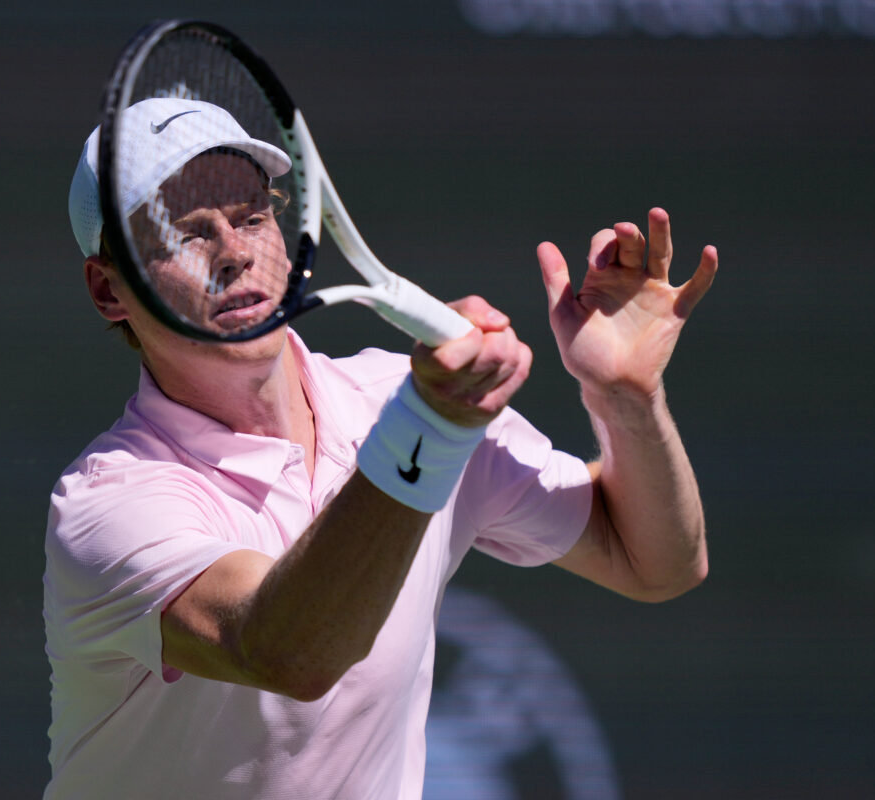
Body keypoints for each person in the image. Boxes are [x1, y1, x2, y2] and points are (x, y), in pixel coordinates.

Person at [44, 97, 717, 799]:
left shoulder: (395, 401)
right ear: (108, 290)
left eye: (251, 217)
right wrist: (429, 424)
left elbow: (655, 563)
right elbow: (287, 653)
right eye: (187, 234)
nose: (236, 253)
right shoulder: (107, 504)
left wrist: (625, 399)